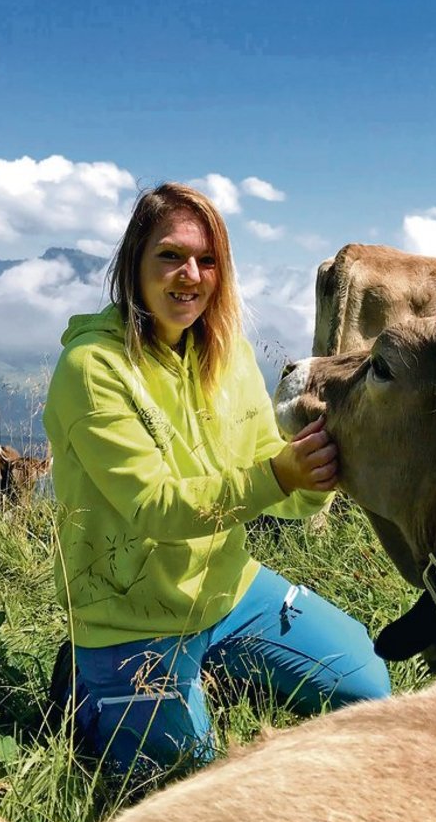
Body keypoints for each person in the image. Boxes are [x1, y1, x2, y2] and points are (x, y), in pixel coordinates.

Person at [44, 182, 390, 773]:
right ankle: (86, 678)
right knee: (193, 778)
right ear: (134, 265)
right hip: (130, 616)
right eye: (171, 255)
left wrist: (312, 477)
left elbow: (274, 482)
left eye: (207, 260)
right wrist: (278, 474)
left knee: (367, 687)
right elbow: (156, 507)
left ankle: (212, 660)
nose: (190, 274)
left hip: (226, 592)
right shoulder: (92, 369)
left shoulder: (225, 357)